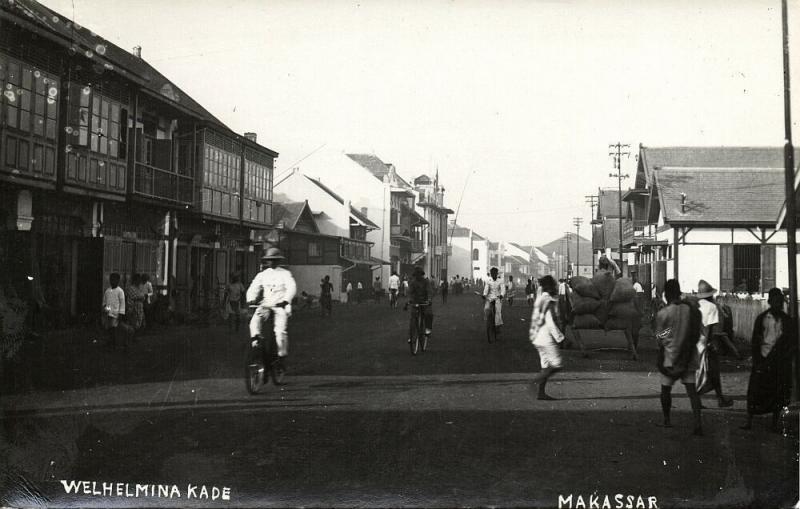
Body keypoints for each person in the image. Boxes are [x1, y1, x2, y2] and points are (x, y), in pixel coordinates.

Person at [654, 279, 703, 436]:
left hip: (670, 357)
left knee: (666, 389)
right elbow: (697, 330)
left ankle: (667, 420)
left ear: (666, 294)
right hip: (688, 356)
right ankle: (697, 423)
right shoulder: (691, 310)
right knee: (692, 391)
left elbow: (660, 335)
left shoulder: (664, 313)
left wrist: (668, 333)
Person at [742, 288, 795, 431]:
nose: (778, 304)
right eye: (775, 301)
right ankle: (749, 421)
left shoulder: (787, 321)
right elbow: (755, 341)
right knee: (755, 392)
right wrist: (758, 361)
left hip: (778, 362)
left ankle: (774, 424)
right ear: (770, 302)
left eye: (780, 301)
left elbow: (791, 343)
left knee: (777, 394)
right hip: (763, 359)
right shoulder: (762, 318)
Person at [246, 247, 297, 378]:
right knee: (254, 322)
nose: (272, 263)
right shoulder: (262, 275)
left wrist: (286, 300)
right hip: (266, 304)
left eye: (275, 260)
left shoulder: (285, 274)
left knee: (279, 332)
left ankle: (281, 357)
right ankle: (256, 343)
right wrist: (250, 298)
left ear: (279, 261)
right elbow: (253, 287)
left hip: (280, 305)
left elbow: (292, 287)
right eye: (269, 260)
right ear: (267, 261)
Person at [694, 279, 733, 408]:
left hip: (697, 343)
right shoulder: (712, 307)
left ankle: (699, 400)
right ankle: (720, 398)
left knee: (700, 372)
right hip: (707, 343)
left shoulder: (696, 305)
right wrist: (712, 343)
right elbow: (711, 329)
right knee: (714, 372)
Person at [529, 275, 565, 400]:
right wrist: (561, 338)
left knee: (545, 365)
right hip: (546, 337)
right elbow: (550, 322)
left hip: (537, 336)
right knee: (557, 365)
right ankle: (535, 381)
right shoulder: (548, 300)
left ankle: (541, 393)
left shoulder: (540, 298)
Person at [405, 266, 433, 342]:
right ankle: (411, 335)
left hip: (425, 302)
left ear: (421, 274)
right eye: (416, 274)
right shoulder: (413, 282)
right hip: (416, 302)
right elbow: (410, 292)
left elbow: (429, 291)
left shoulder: (426, 282)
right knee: (413, 318)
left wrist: (429, 299)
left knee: (428, 314)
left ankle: (427, 329)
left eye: (419, 274)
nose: (418, 276)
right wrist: (409, 300)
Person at [102, 273, 125, 348]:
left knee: (114, 329)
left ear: (118, 281)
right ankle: (110, 342)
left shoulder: (120, 291)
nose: (112, 281)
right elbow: (105, 302)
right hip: (108, 313)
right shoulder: (107, 291)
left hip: (116, 314)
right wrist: (105, 309)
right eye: (111, 279)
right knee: (109, 329)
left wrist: (121, 313)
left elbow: (122, 303)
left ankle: (114, 343)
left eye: (114, 280)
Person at [482, 267, 505, 331]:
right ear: (491, 274)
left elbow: (503, 289)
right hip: (490, 297)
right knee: (486, 308)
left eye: (494, 273)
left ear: (497, 274)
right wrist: (484, 295)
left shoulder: (500, 281)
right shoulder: (488, 280)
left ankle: (497, 326)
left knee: (498, 311)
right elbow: (486, 289)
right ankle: (488, 320)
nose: (493, 275)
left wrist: (502, 295)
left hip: (497, 298)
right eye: (492, 273)